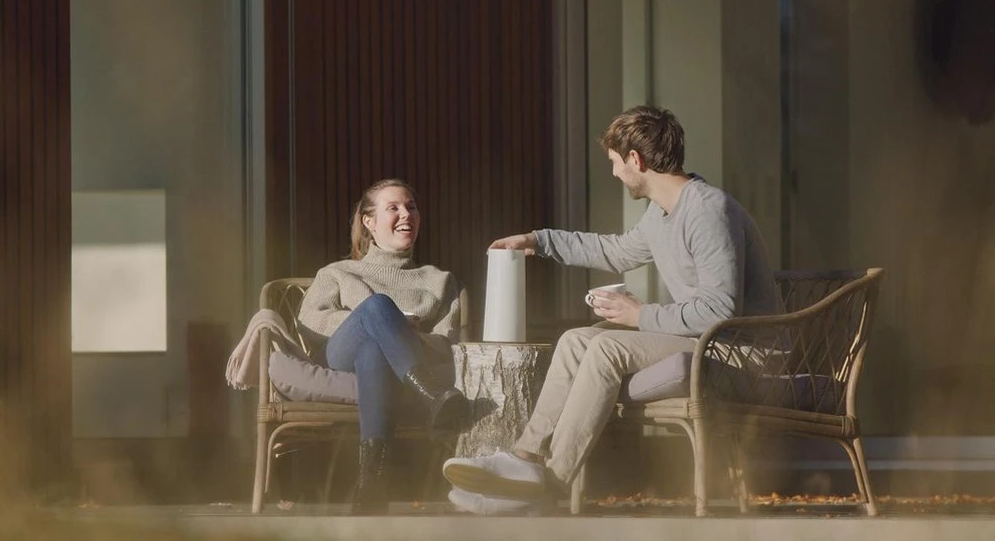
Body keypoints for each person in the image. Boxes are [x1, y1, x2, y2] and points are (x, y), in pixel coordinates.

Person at [442, 105, 780, 515]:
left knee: (607, 347)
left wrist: (640, 315)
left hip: (740, 354)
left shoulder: (708, 211)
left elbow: (719, 310)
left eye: (615, 163)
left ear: (635, 160)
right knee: (576, 340)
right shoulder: (661, 214)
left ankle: (549, 483)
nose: (616, 173)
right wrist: (539, 240)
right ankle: (526, 458)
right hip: (702, 342)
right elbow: (615, 251)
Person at [298, 178, 469, 514]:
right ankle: (431, 395)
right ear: (369, 222)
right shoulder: (338, 272)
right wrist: (374, 320)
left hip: (389, 359)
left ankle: (372, 483)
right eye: (393, 208)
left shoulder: (439, 280)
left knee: (375, 348)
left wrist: (398, 334)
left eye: (411, 207)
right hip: (339, 353)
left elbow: (446, 343)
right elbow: (311, 321)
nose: (406, 214)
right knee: (377, 307)